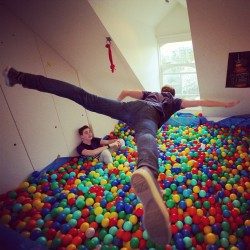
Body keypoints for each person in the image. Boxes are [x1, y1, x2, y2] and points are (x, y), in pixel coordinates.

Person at [3, 66, 240, 245]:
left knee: (84, 97)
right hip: (147, 116)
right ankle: (146, 169)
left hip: (129, 109)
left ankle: (19, 76)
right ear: (172, 94)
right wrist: (225, 105)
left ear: (160, 90)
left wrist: (114, 109)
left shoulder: (150, 93)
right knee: (147, 135)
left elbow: (126, 91)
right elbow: (200, 101)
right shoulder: (174, 101)